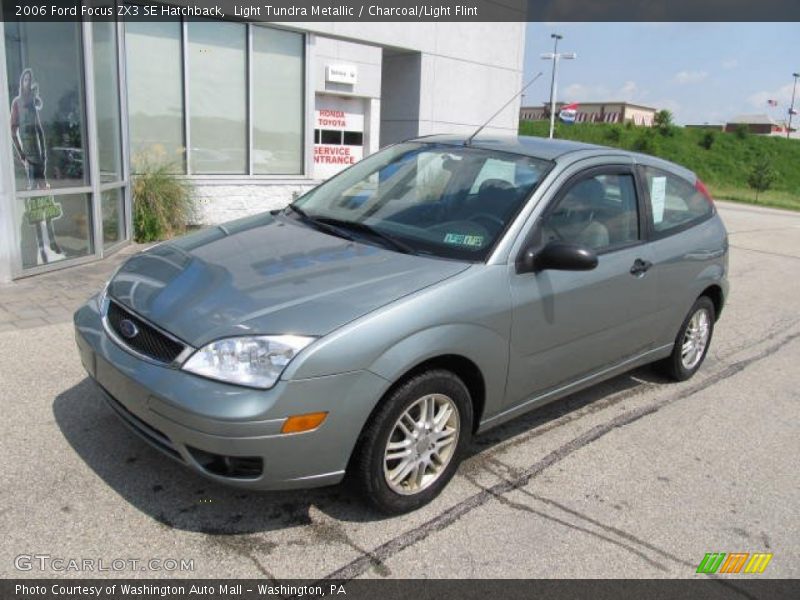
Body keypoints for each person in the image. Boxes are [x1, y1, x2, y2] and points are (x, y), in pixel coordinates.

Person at [10, 68, 65, 265]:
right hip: (29, 159)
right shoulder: (17, 104)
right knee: (34, 204)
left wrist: (45, 153)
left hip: (40, 157)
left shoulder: (32, 103)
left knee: (47, 202)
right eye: (25, 79)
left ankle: (52, 241)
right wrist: (21, 154)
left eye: (29, 79)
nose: (27, 82)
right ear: (21, 82)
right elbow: (12, 130)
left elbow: (40, 126)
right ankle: (41, 246)